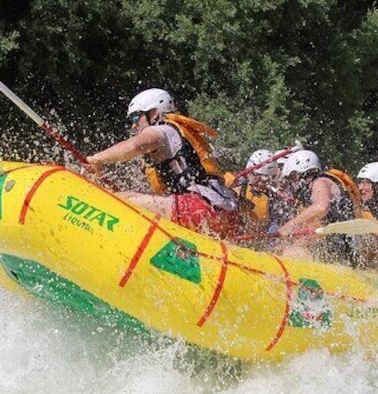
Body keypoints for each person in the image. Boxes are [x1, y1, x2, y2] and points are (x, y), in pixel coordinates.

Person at [85, 88, 240, 238]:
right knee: (126, 195)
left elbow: (133, 146)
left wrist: (96, 158)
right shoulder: (175, 135)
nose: (133, 125)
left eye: (135, 117)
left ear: (154, 113)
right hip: (223, 213)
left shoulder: (162, 130)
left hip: (200, 208)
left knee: (118, 201)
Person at [277, 149, 358, 265]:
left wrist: (290, 226)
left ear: (300, 173)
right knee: (292, 248)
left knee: (294, 252)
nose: (293, 184)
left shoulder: (320, 182)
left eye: (292, 178)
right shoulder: (315, 187)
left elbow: (321, 207)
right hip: (338, 242)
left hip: (343, 244)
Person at [236, 149, 296, 237]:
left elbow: (276, 223)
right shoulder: (235, 184)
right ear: (249, 172)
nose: (261, 182)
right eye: (257, 176)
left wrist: (272, 234)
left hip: (252, 240)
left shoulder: (273, 198)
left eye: (265, 178)